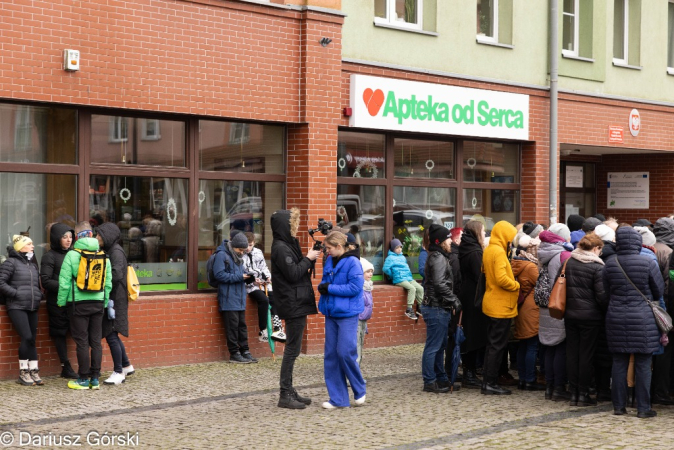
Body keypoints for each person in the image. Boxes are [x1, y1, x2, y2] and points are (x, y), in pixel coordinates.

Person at [604, 226, 664, 418]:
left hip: (616, 316)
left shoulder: (610, 263)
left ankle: (619, 407)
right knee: (643, 364)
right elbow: (658, 291)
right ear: (638, 243)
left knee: (619, 362)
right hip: (643, 318)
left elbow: (606, 291)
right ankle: (643, 408)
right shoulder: (648, 263)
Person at [271, 208, 320, 410]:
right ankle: (285, 393)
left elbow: (298, 269)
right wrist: (308, 258)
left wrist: (309, 258)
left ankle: (290, 390)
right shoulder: (281, 248)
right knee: (292, 349)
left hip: (296, 301)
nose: (296, 228)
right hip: (292, 302)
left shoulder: (287, 245)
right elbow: (293, 273)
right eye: (292, 224)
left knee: (294, 348)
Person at [58, 222, 112, 390]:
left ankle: (83, 378)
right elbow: (108, 283)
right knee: (96, 341)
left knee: (81, 342)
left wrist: (61, 302)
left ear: (77, 236)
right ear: (91, 235)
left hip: (78, 304)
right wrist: (103, 302)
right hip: (97, 304)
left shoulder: (72, 255)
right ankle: (95, 378)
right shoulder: (103, 254)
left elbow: (64, 283)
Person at [318, 231, 366, 409]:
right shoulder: (330, 259)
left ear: (339, 247)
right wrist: (323, 287)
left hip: (347, 314)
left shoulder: (353, 262)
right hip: (331, 312)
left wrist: (330, 288)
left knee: (345, 352)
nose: (327, 251)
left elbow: (355, 288)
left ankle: (359, 388)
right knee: (331, 356)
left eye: (329, 248)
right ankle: (338, 399)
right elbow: (325, 281)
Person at [564, 234, 606, 406]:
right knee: (586, 356)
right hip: (590, 317)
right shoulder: (597, 267)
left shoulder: (569, 261)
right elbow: (602, 296)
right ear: (595, 248)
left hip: (570, 315)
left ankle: (573, 393)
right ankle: (583, 394)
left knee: (572, 354)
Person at [421, 224, 462, 393]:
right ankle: (430, 381)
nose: (450, 241)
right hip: (435, 307)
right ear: (439, 241)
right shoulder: (438, 257)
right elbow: (439, 284)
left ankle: (441, 379)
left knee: (440, 345)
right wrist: (454, 300)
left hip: (438, 306)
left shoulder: (439, 255)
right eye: (447, 238)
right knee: (434, 346)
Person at [481, 221, 519, 395]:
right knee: (497, 346)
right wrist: (516, 285)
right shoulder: (498, 252)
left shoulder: (490, 249)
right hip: (500, 306)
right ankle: (490, 383)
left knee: (492, 345)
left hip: (492, 302)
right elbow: (501, 279)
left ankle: (489, 381)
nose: (511, 242)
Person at [0, 235, 44, 386]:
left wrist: (38, 295)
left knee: (32, 339)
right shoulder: (10, 263)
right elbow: (1, 282)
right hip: (17, 306)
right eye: (29, 244)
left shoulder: (32, 264)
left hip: (32, 305)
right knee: (26, 336)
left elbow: (35, 285)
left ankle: (34, 370)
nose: (33, 246)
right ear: (20, 247)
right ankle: (23, 372)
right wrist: (15, 293)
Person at [537, 224, 573, 401]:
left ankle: (550, 387)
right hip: (559, 305)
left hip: (546, 306)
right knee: (560, 347)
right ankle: (559, 387)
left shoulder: (544, 252)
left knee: (549, 348)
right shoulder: (564, 255)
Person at [96, 222, 135, 385]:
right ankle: (126, 365)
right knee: (113, 333)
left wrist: (98, 278)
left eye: (99, 235)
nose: (96, 237)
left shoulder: (116, 252)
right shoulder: (109, 250)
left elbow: (117, 274)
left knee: (112, 333)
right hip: (113, 298)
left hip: (115, 300)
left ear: (108, 236)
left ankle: (118, 371)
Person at [40, 223, 78, 379]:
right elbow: (46, 281)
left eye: (70, 237)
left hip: (73, 302)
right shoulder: (49, 256)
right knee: (60, 333)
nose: (68, 240)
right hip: (57, 302)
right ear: (57, 238)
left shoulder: (74, 253)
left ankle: (84, 365)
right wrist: (67, 287)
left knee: (78, 332)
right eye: (64, 237)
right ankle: (65, 366)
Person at [214, 232, 256, 364]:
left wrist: (250, 278)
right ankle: (234, 353)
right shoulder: (222, 255)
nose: (242, 252)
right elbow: (219, 275)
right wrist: (240, 277)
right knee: (232, 326)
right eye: (240, 249)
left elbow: (239, 274)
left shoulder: (238, 256)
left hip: (239, 296)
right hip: (228, 297)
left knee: (242, 326)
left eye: (244, 250)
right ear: (234, 246)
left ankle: (245, 351)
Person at [458, 220, 489, 389]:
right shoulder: (475, 252)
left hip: (467, 294)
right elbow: (480, 275)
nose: (484, 234)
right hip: (474, 297)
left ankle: (469, 371)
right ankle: (469, 373)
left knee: (470, 334)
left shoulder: (465, 247)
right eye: (483, 231)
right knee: (473, 335)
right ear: (477, 232)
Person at [511, 231, 544, 391]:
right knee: (531, 345)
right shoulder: (531, 266)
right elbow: (541, 284)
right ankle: (529, 379)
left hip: (522, 307)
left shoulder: (516, 262)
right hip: (531, 308)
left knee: (523, 345)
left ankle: (523, 379)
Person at [242, 232, 286, 344]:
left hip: (263, 282)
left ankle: (278, 327)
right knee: (264, 300)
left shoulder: (258, 252)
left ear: (254, 243)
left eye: (250, 245)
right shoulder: (240, 254)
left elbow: (263, 267)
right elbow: (242, 274)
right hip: (250, 285)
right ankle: (263, 330)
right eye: (246, 245)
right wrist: (252, 281)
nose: (248, 248)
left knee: (274, 299)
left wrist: (267, 276)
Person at [650, 218, 674, 406]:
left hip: (653, 306)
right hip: (664, 307)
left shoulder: (651, 246)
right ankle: (663, 390)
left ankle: (657, 389)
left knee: (660, 350)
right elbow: (668, 284)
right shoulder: (668, 252)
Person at [383, 238, 424, 320]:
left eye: (400, 247)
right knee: (412, 289)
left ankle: (420, 307)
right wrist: (392, 275)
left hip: (408, 277)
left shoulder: (402, 257)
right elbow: (385, 269)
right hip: (399, 279)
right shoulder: (390, 258)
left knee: (420, 288)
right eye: (397, 248)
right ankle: (409, 309)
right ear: (393, 249)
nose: (399, 249)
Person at [357, 258, 374, 366]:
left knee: (360, 348)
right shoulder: (359, 288)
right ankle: (352, 378)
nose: (370, 274)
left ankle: (356, 376)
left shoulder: (368, 287)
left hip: (363, 321)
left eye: (371, 271)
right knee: (356, 349)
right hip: (357, 321)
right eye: (367, 271)